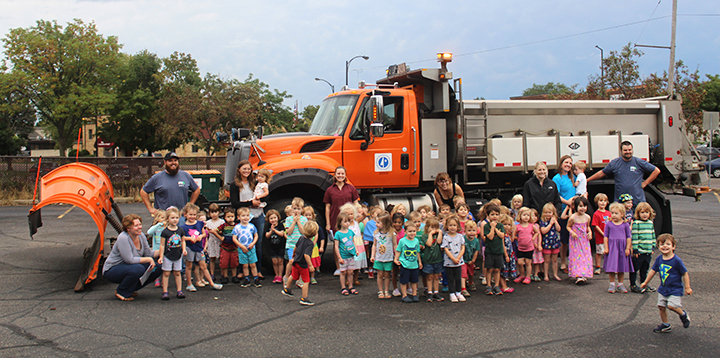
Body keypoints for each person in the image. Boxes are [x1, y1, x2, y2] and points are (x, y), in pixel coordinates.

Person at [102, 214, 162, 301]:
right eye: (136, 226)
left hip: (130, 267)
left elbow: (148, 253)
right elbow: (129, 260)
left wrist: (164, 250)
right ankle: (121, 292)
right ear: (128, 228)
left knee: (157, 268)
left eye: (140, 224)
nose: (139, 227)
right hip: (112, 270)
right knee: (139, 268)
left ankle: (130, 289)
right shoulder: (123, 238)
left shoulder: (141, 236)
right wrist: (149, 259)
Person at [640, 234, 692, 333]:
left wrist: (687, 287)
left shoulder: (677, 261)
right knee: (661, 306)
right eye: (662, 244)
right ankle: (665, 324)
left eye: (668, 244)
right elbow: (653, 271)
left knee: (672, 306)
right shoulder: (659, 259)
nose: (665, 246)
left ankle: (683, 314)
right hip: (663, 288)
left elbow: (684, 273)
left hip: (675, 289)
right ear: (658, 247)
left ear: (673, 247)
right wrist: (645, 282)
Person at [587, 141, 661, 205]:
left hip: (637, 201)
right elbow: (602, 173)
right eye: (625, 150)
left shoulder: (639, 162)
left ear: (632, 150)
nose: (628, 152)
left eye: (630, 150)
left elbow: (656, 171)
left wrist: (645, 183)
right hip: (620, 202)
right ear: (621, 151)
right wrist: (587, 180)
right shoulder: (615, 163)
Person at [229, 160, 266, 279]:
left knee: (257, 244)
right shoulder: (235, 185)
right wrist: (251, 203)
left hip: (258, 215)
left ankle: (258, 270)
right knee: (242, 244)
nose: (246, 171)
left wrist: (260, 201)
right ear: (239, 170)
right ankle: (242, 270)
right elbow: (234, 203)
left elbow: (266, 194)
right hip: (244, 219)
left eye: (249, 169)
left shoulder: (255, 183)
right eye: (244, 169)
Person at [323, 166, 359, 275]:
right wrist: (328, 223)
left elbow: (355, 203)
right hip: (335, 220)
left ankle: (351, 266)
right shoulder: (330, 190)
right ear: (335, 175)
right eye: (338, 174)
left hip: (349, 221)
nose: (340, 176)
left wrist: (359, 213)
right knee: (337, 244)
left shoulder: (351, 188)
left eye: (342, 174)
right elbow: (327, 207)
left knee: (349, 242)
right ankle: (339, 267)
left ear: (345, 175)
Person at [141, 152, 200, 216]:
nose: (173, 163)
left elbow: (197, 190)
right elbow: (143, 192)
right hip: (164, 216)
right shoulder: (157, 177)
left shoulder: (185, 175)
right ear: (165, 162)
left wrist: (190, 205)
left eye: (175, 160)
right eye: (170, 161)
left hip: (181, 216)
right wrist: (150, 208)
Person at [181, 203, 222, 292]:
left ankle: (211, 283)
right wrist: (190, 238)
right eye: (190, 214)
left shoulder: (200, 223)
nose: (192, 216)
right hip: (190, 247)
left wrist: (201, 236)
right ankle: (189, 284)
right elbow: (182, 237)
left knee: (203, 266)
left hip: (199, 248)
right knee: (189, 266)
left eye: (194, 214)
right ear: (185, 214)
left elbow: (204, 233)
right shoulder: (183, 227)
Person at [281, 221, 319, 306]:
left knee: (293, 275)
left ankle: (287, 288)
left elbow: (296, 247)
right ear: (314, 234)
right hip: (303, 264)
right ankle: (304, 298)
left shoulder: (301, 237)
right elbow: (306, 255)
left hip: (296, 261)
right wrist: (311, 265)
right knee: (306, 280)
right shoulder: (310, 243)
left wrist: (294, 254)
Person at [604, 202, 634, 294]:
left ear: (622, 214)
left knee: (621, 266)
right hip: (612, 248)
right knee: (612, 267)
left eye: (616, 213)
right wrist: (606, 247)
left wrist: (627, 248)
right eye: (612, 213)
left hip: (622, 248)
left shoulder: (625, 225)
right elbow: (606, 237)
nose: (614, 215)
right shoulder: (609, 224)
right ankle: (612, 284)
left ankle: (620, 284)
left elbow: (628, 237)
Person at [158, 207, 187, 300]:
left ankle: (179, 290)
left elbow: (183, 241)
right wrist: (161, 257)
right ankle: (165, 291)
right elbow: (162, 245)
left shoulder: (180, 230)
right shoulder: (165, 232)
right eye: (172, 218)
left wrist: (184, 249)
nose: (175, 220)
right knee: (166, 273)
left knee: (177, 273)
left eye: (176, 218)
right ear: (168, 219)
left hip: (178, 255)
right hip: (167, 256)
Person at [553, 155, 575, 274]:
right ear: (561, 164)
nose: (568, 165)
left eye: (570, 163)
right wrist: (568, 203)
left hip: (574, 211)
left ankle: (573, 262)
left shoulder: (572, 177)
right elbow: (557, 195)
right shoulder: (557, 178)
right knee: (564, 238)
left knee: (574, 237)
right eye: (566, 162)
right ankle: (562, 263)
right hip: (563, 211)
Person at [630, 202, 657, 293]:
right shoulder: (636, 223)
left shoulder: (650, 223)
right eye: (642, 212)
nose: (644, 215)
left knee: (645, 269)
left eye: (646, 212)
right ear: (638, 214)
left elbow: (653, 235)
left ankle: (644, 284)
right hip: (639, 252)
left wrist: (653, 246)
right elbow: (634, 237)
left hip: (648, 251)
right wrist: (635, 249)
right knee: (635, 268)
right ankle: (633, 284)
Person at [566, 196, 593, 284]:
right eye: (580, 206)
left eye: (584, 206)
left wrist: (590, 232)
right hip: (576, 240)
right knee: (577, 256)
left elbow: (588, 226)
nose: (583, 208)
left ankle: (584, 273)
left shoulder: (587, 217)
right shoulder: (573, 217)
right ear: (576, 207)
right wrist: (572, 232)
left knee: (585, 256)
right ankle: (578, 275)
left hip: (584, 240)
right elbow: (568, 226)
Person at [395, 222, 423, 303]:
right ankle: (404, 295)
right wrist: (396, 259)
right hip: (405, 264)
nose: (412, 233)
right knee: (404, 280)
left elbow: (417, 252)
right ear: (405, 232)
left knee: (414, 280)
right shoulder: (402, 241)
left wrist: (420, 262)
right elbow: (398, 251)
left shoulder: (416, 241)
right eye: (410, 231)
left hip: (414, 265)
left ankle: (414, 294)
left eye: (414, 231)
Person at [483, 204, 508, 296]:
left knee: (497, 269)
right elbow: (489, 237)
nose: (494, 217)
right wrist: (492, 227)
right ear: (488, 215)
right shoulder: (486, 226)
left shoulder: (501, 225)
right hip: (490, 251)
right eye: (492, 214)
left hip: (499, 251)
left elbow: (502, 236)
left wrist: (496, 229)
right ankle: (489, 285)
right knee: (489, 269)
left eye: (497, 214)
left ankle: (497, 286)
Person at [234, 207, 261, 288]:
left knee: (253, 264)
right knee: (245, 265)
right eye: (243, 216)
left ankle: (256, 279)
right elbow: (234, 238)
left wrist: (253, 243)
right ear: (238, 217)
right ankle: (247, 279)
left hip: (251, 248)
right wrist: (241, 246)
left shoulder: (252, 226)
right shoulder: (237, 227)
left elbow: (256, 235)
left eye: (247, 215)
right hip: (242, 249)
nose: (245, 217)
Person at [370, 212, 395, 299]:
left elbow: (395, 245)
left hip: (388, 258)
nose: (376, 224)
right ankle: (380, 291)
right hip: (379, 258)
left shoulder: (392, 234)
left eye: (378, 222)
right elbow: (374, 245)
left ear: (385, 223)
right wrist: (372, 255)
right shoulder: (376, 234)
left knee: (387, 275)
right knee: (380, 274)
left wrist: (396, 256)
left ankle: (387, 290)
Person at [441, 216, 466, 303]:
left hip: (458, 261)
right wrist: (452, 258)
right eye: (450, 225)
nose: (452, 227)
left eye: (454, 225)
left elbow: (463, 247)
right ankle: (452, 293)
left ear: (457, 226)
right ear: (447, 226)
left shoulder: (460, 236)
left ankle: (458, 292)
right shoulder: (446, 237)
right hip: (449, 262)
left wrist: (458, 258)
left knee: (458, 278)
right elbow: (446, 249)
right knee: (450, 278)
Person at [213, 209, 239, 284]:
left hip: (234, 247)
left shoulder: (237, 226)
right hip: (225, 247)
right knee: (224, 263)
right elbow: (215, 230)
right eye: (228, 216)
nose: (230, 218)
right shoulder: (224, 225)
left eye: (232, 216)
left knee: (234, 263)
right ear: (225, 217)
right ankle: (225, 276)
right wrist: (220, 236)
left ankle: (234, 276)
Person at [513, 207, 538, 285]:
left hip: (529, 247)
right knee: (520, 262)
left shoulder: (531, 226)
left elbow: (537, 232)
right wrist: (518, 238)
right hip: (520, 247)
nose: (526, 217)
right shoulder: (518, 227)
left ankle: (528, 276)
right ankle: (522, 275)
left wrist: (532, 239)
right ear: (520, 216)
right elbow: (513, 235)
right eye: (524, 215)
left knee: (528, 262)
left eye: (528, 215)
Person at [421, 217, 444, 302]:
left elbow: (439, 242)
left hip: (437, 259)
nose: (434, 229)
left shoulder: (438, 235)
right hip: (428, 260)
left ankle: (436, 292)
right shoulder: (425, 236)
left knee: (436, 276)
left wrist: (440, 233)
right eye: (432, 227)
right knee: (429, 276)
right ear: (427, 227)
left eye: (436, 227)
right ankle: (430, 292)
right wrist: (430, 234)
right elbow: (429, 243)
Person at [335, 212, 357, 295]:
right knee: (343, 272)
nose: (347, 223)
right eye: (345, 221)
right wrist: (339, 257)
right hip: (343, 256)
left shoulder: (351, 232)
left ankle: (351, 286)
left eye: (348, 221)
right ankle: (343, 287)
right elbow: (336, 247)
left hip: (351, 255)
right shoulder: (338, 234)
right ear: (340, 223)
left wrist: (356, 250)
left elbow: (353, 242)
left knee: (350, 272)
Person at [540, 203, 562, 281]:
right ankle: (546, 275)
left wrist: (555, 222)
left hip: (554, 242)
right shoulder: (543, 221)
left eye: (550, 212)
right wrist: (550, 224)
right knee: (547, 260)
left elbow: (559, 229)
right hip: (547, 242)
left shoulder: (554, 220)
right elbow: (543, 231)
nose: (548, 214)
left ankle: (555, 274)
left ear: (553, 213)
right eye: (546, 212)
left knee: (555, 260)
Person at [591, 193, 612, 275]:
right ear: (597, 202)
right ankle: (597, 266)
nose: (603, 203)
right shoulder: (596, 214)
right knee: (599, 252)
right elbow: (595, 225)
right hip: (600, 237)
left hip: (609, 237)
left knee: (608, 252)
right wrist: (603, 233)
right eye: (601, 201)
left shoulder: (609, 213)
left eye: (605, 201)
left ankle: (607, 266)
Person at [263, 209, 286, 284]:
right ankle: (276, 275)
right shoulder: (268, 226)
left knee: (280, 261)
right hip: (272, 247)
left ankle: (280, 275)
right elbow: (266, 235)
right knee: (274, 262)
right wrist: (271, 231)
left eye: (274, 218)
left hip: (280, 246)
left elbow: (282, 234)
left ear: (278, 218)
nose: (273, 220)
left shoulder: (280, 225)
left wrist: (275, 230)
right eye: (271, 218)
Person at [146, 209, 167, 287]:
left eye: (165, 218)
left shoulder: (166, 227)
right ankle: (156, 279)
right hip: (156, 250)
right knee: (157, 265)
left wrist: (165, 226)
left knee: (165, 265)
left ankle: (164, 280)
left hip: (165, 250)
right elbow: (149, 232)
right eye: (162, 218)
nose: (163, 220)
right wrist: (158, 224)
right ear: (157, 218)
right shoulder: (156, 227)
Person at [302, 206, 322, 285]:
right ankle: (306, 277)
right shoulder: (303, 224)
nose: (308, 217)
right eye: (306, 215)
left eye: (309, 215)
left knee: (312, 262)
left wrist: (313, 243)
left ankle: (312, 277)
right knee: (306, 262)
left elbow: (316, 235)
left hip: (313, 246)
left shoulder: (314, 224)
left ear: (313, 216)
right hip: (306, 245)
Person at [204, 204, 224, 280]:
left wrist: (217, 231)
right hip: (211, 242)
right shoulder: (208, 222)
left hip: (219, 242)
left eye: (215, 212)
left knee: (221, 259)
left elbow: (223, 231)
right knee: (212, 258)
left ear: (219, 212)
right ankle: (212, 274)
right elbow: (206, 233)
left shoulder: (222, 222)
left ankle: (222, 274)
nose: (214, 214)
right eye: (212, 212)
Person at [461, 220, 480, 294]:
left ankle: (471, 282)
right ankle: (463, 288)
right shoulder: (463, 239)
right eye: (469, 230)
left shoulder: (476, 241)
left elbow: (476, 251)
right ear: (465, 231)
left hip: (471, 259)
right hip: (463, 260)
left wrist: (473, 260)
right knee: (464, 274)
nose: (471, 232)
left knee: (471, 273)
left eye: (473, 230)